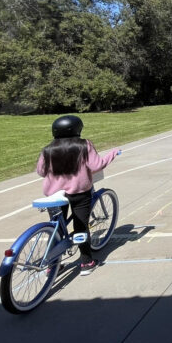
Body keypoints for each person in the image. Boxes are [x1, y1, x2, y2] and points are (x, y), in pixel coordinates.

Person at [35, 115, 120, 275]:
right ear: (77, 129)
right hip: (79, 193)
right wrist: (113, 154)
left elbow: (41, 171)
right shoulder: (83, 145)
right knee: (80, 227)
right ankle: (87, 262)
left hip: (54, 196)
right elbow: (97, 165)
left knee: (57, 228)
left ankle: (53, 265)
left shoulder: (48, 149)